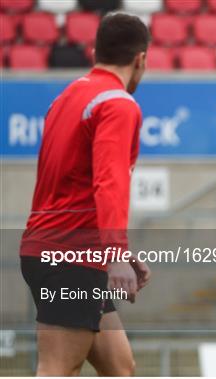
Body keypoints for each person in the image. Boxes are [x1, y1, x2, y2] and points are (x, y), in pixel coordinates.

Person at [19, 13, 151, 376]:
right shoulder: (118, 104)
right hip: (70, 257)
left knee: (120, 367)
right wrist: (116, 251)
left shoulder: (67, 98)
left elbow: (70, 185)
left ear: (96, 52)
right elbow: (109, 183)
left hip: (57, 250)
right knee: (57, 369)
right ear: (141, 59)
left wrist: (116, 253)